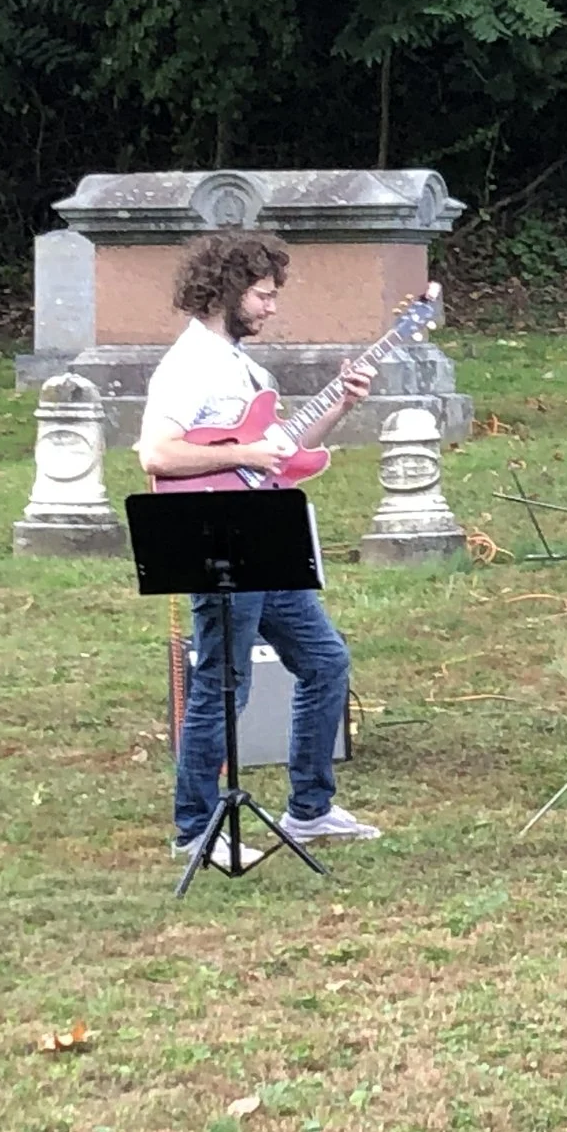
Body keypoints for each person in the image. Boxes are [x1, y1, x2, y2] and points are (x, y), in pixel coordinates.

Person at [135, 232, 381, 857]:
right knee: (224, 683)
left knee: (325, 662)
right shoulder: (189, 364)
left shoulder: (243, 368)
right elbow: (156, 452)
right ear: (227, 291)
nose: (271, 307)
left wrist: (341, 404)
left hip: (264, 538)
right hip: (217, 539)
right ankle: (195, 828)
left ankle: (310, 809)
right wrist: (247, 451)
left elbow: (283, 454)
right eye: (263, 295)